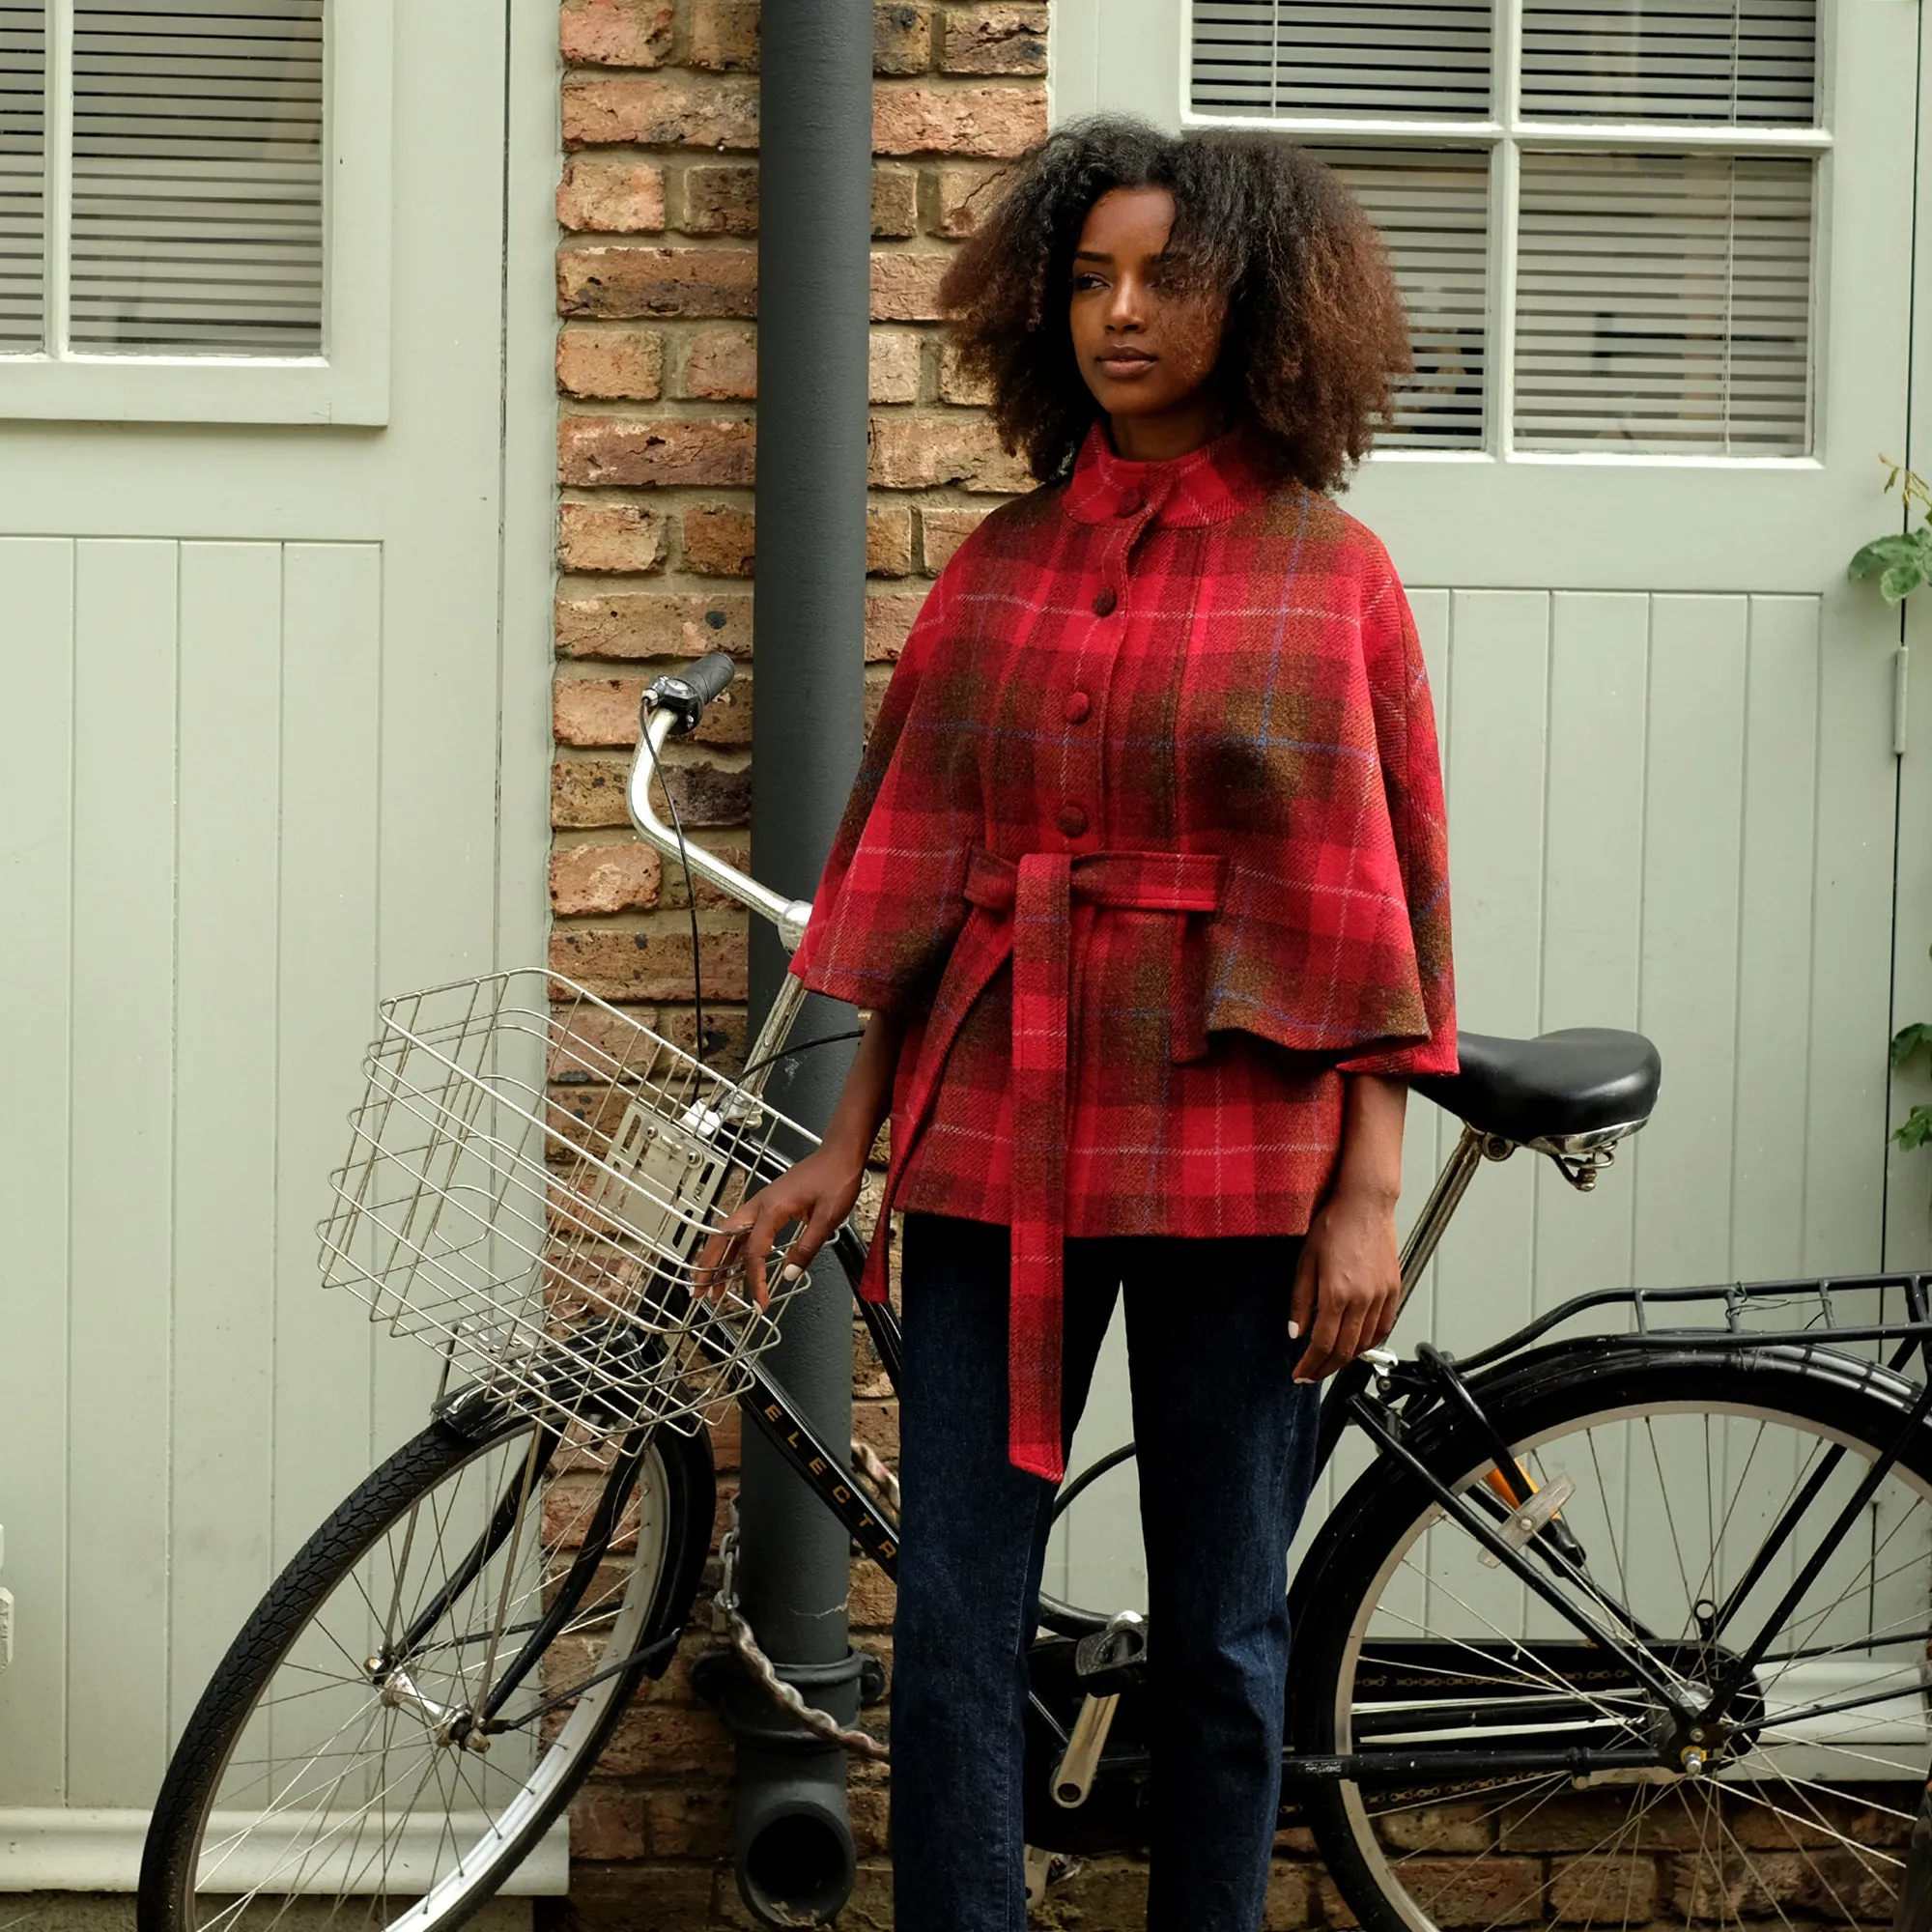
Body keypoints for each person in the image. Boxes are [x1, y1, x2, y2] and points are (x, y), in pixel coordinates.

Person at [707, 116, 1456, 1932]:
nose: (1122, 312)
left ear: (1257, 301)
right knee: (959, 1616)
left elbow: (1389, 907)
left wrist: (1368, 1188)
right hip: (994, 1152)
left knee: (1223, 1624)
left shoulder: (1328, 572)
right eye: (1092, 277)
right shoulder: (1002, 563)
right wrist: (845, 1140)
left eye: (1167, 278)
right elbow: (916, 874)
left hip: (1240, 1160)